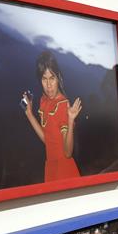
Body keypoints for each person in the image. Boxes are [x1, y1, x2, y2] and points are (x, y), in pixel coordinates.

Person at [22, 50, 82, 182]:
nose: (48, 85)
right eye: (44, 79)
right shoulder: (44, 101)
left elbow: (67, 153)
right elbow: (47, 140)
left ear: (58, 77)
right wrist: (30, 115)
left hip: (65, 172)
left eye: (52, 78)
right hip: (50, 168)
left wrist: (71, 120)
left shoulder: (63, 105)